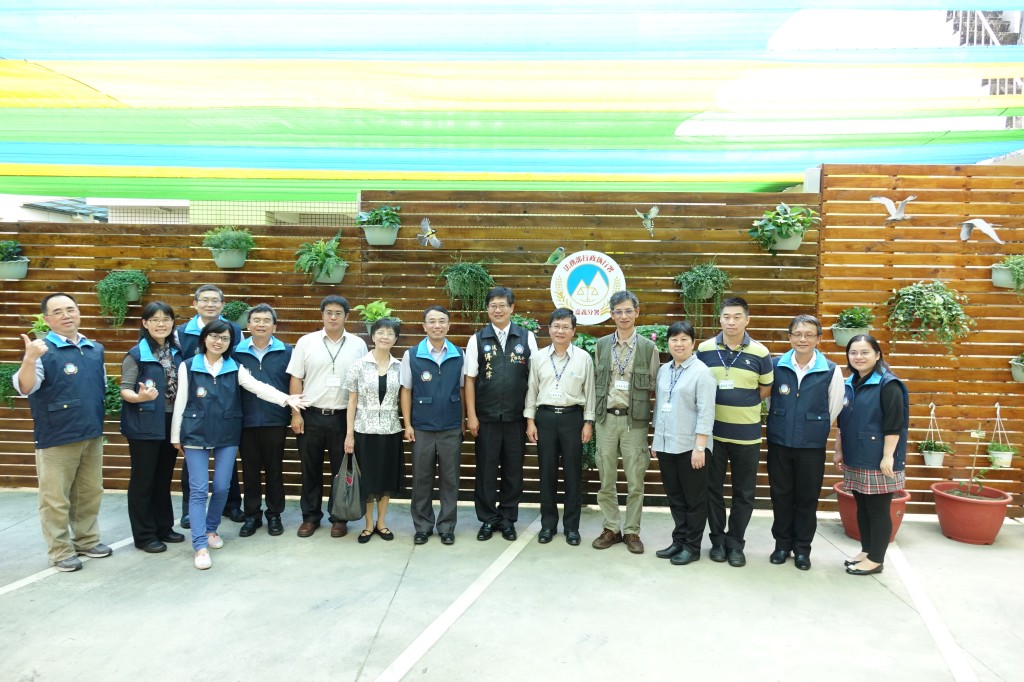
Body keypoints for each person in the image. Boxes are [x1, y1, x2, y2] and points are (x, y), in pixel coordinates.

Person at [171, 320, 308, 569]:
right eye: (214, 336)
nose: (218, 342)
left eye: (224, 338)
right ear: (204, 338)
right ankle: (200, 545)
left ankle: (211, 530)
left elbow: (258, 387)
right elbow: (181, 400)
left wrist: (287, 399)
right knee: (199, 489)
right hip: (195, 433)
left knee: (222, 487)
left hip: (226, 433)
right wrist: (175, 435)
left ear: (230, 343)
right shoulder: (188, 365)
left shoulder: (234, 366)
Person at [14, 293, 112, 572]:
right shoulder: (41, 350)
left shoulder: (94, 349)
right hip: (56, 436)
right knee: (55, 498)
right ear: (47, 319)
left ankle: (87, 540)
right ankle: (60, 551)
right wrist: (29, 359)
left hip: (91, 432)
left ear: (79, 313)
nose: (66, 315)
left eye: (70, 309)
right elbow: (25, 387)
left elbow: (101, 387)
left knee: (89, 492)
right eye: (57, 312)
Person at [696, 296, 773, 567]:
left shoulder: (760, 353)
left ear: (747, 320)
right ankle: (717, 540)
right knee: (712, 490)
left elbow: (765, 389)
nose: (731, 322)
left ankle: (736, 543)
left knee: (744, 493)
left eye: (737, 317)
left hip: (747, 436)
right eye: (726, 316)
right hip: (713, 435)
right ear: (720, 319)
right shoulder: (704, 349)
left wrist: (743, 404)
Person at [765, 314, 844, 571]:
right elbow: (769, 401)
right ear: (790, 337)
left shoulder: (831, 370)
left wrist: (812, 426)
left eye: (809, 334)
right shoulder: (775, 365)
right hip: (779, 442)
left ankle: (802, 549)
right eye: (798, 334)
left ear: (818, 339)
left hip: (811, 446)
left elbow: (833, 407)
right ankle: (781, 545)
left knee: (807, 498)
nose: (803, 339)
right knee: (781, 496)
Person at [287, 295, 368, 538]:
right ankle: (310, 517)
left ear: (346, 317)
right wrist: (296, 414)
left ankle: (339, 517)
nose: (333, 317)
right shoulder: (306, 342)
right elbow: (296, 378)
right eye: (329, 312)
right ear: (322, 315)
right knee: (309, 469)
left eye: (338, 313)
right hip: (310, 415)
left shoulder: (358, 345)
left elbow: (363, 383)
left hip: (343, 418)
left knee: (341, 471)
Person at [465, 286, 537, 542]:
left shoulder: (526, 338)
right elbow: (470, 379)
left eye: (502, 305)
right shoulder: (477, 339)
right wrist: (471, 416)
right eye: (493, 305)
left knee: (513, 471)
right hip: (486, 419)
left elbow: (534, 379)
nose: (498, 310)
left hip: (516, 418)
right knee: (485, 471)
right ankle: (488, 519)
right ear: (487, 309)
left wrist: (530, 418)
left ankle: (507, 520)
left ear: (511, 308)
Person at [834, 334, 908, 576]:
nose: (858, 357)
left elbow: (894, 424)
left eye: (865, 352)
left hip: (878, 459)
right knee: (863, 507)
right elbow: (843, 422)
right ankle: (867, 551)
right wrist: (839, 450)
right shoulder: (849, 383)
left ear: (877, 355)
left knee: (877, 510)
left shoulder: (888, 384)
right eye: (853, 352)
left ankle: (876, 559)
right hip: (856, 455)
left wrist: (888, 457)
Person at [591, 290, 659, 554]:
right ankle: (611, 528)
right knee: (606, 479)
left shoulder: (648, 348)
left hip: (635, 422)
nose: (623, 316)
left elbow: (653, 386)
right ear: (611, 315)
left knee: (635, 481)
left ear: (637, 313)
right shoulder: (601, 346)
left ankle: (632, 531)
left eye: (628, 310)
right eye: (618, 311)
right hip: (606, 420)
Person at [524, 308, 596, 546]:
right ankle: (548, 525)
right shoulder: (538, 358)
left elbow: (590, 392)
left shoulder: (583, 358)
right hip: (544, 418)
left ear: (573, 331)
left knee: (573, 475)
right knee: (547, 473)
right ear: (549, 329)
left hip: (572, 418)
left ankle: (572, 528)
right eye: (556, 326)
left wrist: (588, 422)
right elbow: (532, 390)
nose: (560, 331)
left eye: (566, 327)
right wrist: (530, 420)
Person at [175, 284, 245, 527]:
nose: (210, 304)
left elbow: (237, 362)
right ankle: (189, 511)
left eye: (215, 300)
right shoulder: (182, 331)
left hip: (225, 402)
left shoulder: (234, 329)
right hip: (196, 406)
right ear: (195, 303)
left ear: (222, 305)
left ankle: (231, 505)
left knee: (226, 467)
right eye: (204, 300)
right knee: (194, 468)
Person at [119, 301, 186, 554]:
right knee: (143, 480)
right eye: (155, 319)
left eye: (166, 319)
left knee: (163, 478)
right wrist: (140, 398)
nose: (161, 324)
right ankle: (144, 535)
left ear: (172, 323)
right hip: (144, 424)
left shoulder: (177, 352)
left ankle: (163, 527)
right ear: (145, 323)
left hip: (170, 422)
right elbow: (125, 389)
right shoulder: (136, 354)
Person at [651, 321, 717, 566]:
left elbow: (706, 413)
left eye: (684, 339)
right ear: (668, 343)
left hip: (691, 448)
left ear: (693, 343)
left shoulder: (702, 373)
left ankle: (692, 546)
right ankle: (678, 540)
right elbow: (660, 406)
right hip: (667, 445)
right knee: (675, 497)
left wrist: (700, 448)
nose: (678, 344)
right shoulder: (664, 370)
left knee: (694, 500)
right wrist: (656, 440)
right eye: (674, 339)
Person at [400, 306, 465, 545]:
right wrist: (408, 424)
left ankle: (447, 527)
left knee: (450, 479)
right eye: (432, 321)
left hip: (450, 427)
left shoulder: (459, 354)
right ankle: (422, 526)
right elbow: (406, 390)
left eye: (442, 321)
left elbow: (462, 389)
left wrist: (462, 421)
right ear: (424, 326)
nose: (437, 325)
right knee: (421, 478)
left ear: (448, 325)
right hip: (422, 427)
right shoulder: (412, 355)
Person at [233, 303, 293, 537]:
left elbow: (293, 384)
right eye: (256, 320)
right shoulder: (235, 352)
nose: (261, 324)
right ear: (248, 325)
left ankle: (274, 515)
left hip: (275, 420)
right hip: (245, 421)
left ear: (274, 326)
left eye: (266, 321)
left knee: (274, 470)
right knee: (249, 471)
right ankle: (252, 515)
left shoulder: (287, 351)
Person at [343, 318, 404, 544]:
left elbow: (404, 398)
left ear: (395, 339)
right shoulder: (359, 365)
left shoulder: (400, 367)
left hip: (390, 430)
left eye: (390, 333)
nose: (385, 337)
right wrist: (349, 434)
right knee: (367, 480)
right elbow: (352, 401)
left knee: (386, 479)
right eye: (381, 332)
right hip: (364, 431)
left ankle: (382, 523)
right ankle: (368, 524)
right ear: (373, 336)